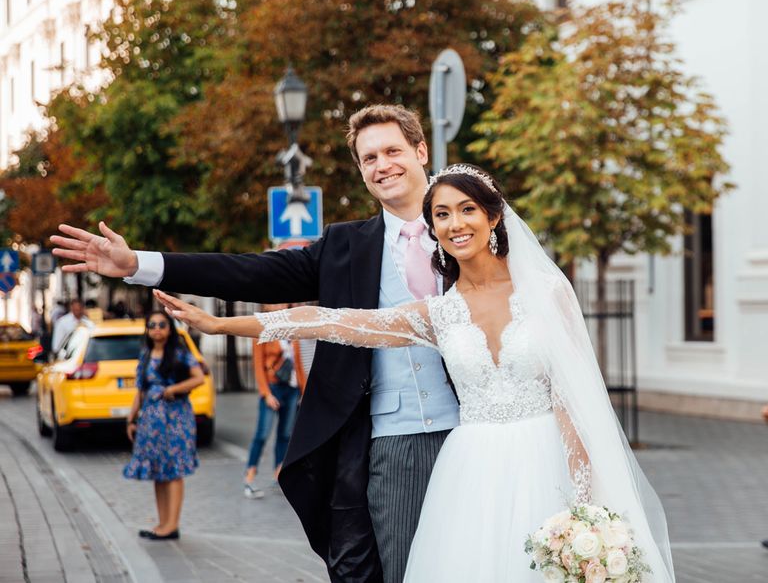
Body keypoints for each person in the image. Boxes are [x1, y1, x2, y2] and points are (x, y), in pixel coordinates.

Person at [155, 163, 676, 583]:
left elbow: (575, 403)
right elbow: (330, 322)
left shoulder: (547, 294)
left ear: (494, 217)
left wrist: (584, 506)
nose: (456, 224)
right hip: (471, 471)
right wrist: (221, 323)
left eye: (467, 209)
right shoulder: (438, 312)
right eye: (442, 215)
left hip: (548, 463)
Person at [51, 105, 454, 582]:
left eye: (392, 151)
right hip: (385, 444)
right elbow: (250, 271)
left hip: (470, 431)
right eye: (369, 158)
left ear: (421, 150)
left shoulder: (471, 229)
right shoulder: (344, 247)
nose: (382, 165)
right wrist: (141, 263)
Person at [124, 310, 205, 540]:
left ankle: (172, 525)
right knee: (158, 471)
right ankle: (161, 524)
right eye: (152, 325)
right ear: (148, 330)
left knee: (174, 470)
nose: (157, 329)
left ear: (169, 329)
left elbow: (198, 377)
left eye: (162, 324)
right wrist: (131, 419)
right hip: (151, 420)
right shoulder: (146, 355)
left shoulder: (179, 353)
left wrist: (172, 389)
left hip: (177, 418)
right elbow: (140, 391)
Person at [244, 303, 308, 499]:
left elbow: (298, 363)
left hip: (291, 388)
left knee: (285, 434)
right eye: (274, 302)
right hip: (273, 388)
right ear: (265, 306)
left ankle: (279, 475)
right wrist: (266, 393)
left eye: (281, 301)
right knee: (262, 434)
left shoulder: (292, 327)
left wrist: (304, 391)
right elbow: (258, 365)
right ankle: (249, 477)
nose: (279, 304)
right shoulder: (261, 328)